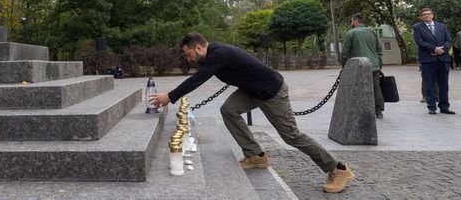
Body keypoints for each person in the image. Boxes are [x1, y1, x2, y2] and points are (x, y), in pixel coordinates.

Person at [149, 32, 355, 194]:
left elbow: (198, 79)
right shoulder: (213, 56)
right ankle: (256, 155)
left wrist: (170, 96)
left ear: (200, 47)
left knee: (291, 136)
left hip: (272, 91)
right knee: (229, 110)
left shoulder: (218, 54)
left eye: (189, 54)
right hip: (252, 90)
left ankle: (338, 169)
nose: (189, 58)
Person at [341, 13, 384, 118]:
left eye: (351, 21)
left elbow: (345, 52)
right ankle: (378, 111)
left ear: (355, 21)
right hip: (373, 65)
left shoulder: (350, 33)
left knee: (358, 88)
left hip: (358, 66)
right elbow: (379, 50)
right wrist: (379, 64)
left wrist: (344, 66)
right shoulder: (372, 32)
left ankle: (361, 110)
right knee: (376, 88)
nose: (351, 23)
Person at [412, 8, 455, 115]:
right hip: (428, 60)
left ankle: (444, 106)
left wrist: (443, 49)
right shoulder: (418, 27)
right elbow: (420, 42)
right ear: (421, 17)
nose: (427, 16)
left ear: (432, 15)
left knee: (444, 84)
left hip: (443, 59)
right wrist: (435, 48)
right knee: (429, 84)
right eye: (424, 14)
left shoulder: (441, 26)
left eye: (429, 14)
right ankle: (431, 107)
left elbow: (448, 40)